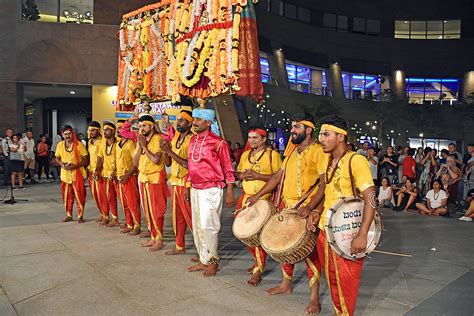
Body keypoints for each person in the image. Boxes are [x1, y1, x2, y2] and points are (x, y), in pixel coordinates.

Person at [246, 114, 326, 314]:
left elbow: (325, 183)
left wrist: (312, 207)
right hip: (288, 207)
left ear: (308, 129)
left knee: (310, 254)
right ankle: (286, 284)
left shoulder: (319, 152)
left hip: (308, 209)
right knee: (284, 246)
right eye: (292, 126)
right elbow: (276, 178)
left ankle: (314, 298)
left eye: (297, 126)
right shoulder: (290, 154)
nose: (293, 130)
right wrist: (257, 195)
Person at [302, 115, 376, 316]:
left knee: (346, 279)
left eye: (326, 134)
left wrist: (362, 234)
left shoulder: (356, 160)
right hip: (326, 229)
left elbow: (371, 197)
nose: (321, 139)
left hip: (349, 231)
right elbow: (326, 193)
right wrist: (315, 211)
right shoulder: (327, 161)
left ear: (341, 136)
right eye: (320, 135)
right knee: (332, 276)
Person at [186, 108, 235, 278]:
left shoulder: (219, 143)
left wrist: (229, 191)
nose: (195, 122)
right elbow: (191, 166)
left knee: (209, 226)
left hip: (212, 189)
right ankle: (203, 259)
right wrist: (188, 186)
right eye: (194, 118)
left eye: (199, 119)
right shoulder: (192, 140)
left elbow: (228, 169)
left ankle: (213, 261)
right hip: (195, 188)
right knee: (198, 226)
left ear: (208, 122)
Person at [235, 127, 282, 286]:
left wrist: (258, 176)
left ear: (263, 139)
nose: (251, 140)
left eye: (255, 138)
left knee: (257, 236)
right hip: (246, 199)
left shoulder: (272, 155)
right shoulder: (245, 155)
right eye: (249, 137)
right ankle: (257, 261)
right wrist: (243, 175)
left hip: (263, 201)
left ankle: (258, 270)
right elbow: (238, 173)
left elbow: (279, 177)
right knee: (245, 235)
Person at [127, 114, 169, 251]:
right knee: (148, 210)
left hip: (155, 179)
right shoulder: (142, 140)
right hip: (143, 179)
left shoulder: (159, 139)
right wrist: (140, 146)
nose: (141, 129)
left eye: (144, 125)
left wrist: (144, 147)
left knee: (157, 210)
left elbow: (156, 160)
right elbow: (135, 162)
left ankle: (159, 239)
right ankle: (153, 236)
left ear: (151, 126)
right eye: (139, 126)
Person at [159, 110, 195, 255]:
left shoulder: (192, 140)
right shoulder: (175, 139)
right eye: (178, 120)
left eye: (182, 120)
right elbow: (168, 163)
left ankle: (204, 251)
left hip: (188, 183)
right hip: (175, 182)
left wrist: (170, 151)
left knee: (191, 217)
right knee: (177, 217)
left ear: (190, 123)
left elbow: (189, 165)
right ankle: (179, 246)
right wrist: (164, 150)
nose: (178, 123)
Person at [55, 125, 89, 222]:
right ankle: (69, 215)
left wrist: (75, 166)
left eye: (69, 133)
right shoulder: (60, 145)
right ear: (62, 135)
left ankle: (80, 216)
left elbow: (86, 160)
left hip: (77, 174)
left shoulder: (79, 145)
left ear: (72, 133)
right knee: (67, 196)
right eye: (65, 134)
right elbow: (57, 157)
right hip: (65, 175)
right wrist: (62, 164)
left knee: (80, 196)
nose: (67, 136)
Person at [115, 120, 141, 235]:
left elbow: (135, 162)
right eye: (117, 128)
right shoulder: (117, 144)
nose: (119, 130)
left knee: (133, 202)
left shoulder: (130, 143)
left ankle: (137, 225)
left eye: (121, 128)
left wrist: (128, 175)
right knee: (124, 203)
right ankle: (129, 223)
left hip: (129, 176)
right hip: (120, 177)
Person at [96, 121, 120, 227]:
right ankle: (109, 217)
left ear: (113, 131)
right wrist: (97, 170)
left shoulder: (119, 143)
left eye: (107, 129)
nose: (104, 132)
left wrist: (114, 172)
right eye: (104, 129)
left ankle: (129, 223)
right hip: (106, 174)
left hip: (117, 174)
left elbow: (120, 160)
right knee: (107, 197)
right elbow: (100, 158)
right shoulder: (103, 143)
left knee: (121, 199)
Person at [87, 121, 106, 224]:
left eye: (93, 130)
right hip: (91, 170)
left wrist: (98, 171)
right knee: (95, 194)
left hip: (99, 172)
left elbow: (100, 157)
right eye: (89, 130)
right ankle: (101, 213)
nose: (91, 132)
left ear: (98, 130)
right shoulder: (90, 141)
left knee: (101, 194)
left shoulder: (102, 141)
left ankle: (106, 215)